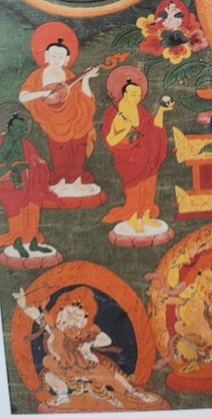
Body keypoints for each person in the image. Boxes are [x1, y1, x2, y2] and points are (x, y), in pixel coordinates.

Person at [13, 285, 161, 409]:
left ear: (85, 320)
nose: (72, 320)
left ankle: (134, 394)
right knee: (48, 369)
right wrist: (24, 305)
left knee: (112, 377)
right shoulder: (55, 330)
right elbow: (38, 316)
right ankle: (63, 395)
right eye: (69, 314)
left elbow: (106, 340)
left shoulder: (85, 335)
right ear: (60, 313)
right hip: (65, 370)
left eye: (78, 317)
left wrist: (87, 339)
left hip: (88, 367)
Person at [19, 26, 101, 199]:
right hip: (53, 120)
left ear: (67, 60)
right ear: (46, 56)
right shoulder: (37, 75)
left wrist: (86, 79)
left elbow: (85, 98)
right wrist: (44, 93)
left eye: (60, 56)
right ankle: (61, 180)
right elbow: (23, 96)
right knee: (58, 150)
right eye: (53, 55)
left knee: (78, 148)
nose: (56, 59)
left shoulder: (70, 76)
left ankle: (77, 179)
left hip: (76, 119)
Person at [101, 69, 173, 232]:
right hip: (128, 155)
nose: (137, 98)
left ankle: (146, 215)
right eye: (133, 94)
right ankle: (133, 217)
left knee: (149, 182)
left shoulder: (140, 110)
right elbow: (110, 139)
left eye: (139, 94)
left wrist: (161, 111)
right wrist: (126, 129)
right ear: (124, 94)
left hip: (146, 153)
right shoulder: (116, 112)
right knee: (134, 185)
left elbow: (153, 128)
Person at [0, 111, 56, 259]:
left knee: (33, 206)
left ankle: (32, 240)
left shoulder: (26, 144)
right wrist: (11, 166)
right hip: (9, 184)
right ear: (10, 128)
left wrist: (30, 164)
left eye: (24, 130)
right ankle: (17, 240)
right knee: (16, 210)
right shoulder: (2, 142)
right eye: (18, 129)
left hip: (30, 181)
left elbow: (37, 160)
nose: (22, 132)